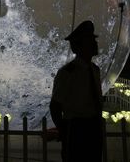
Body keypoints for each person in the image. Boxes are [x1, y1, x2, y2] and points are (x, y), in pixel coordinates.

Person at [50, 20, 103, 162]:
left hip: (94, 128)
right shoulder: (67, 73)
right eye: (90, 40)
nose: (95, 43)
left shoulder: (95, 70)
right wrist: (64, 130)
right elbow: (55, 106)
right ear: (79, 46)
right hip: (76, 129)